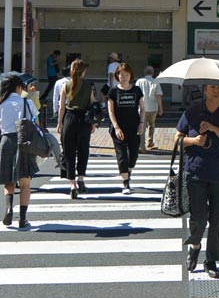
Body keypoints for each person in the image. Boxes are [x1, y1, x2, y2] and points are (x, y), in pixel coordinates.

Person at [177, 82, 219, 280]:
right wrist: (193, 141)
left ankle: (211, 260)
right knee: (198, 217)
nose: (217, 91)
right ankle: (195, 246)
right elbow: (177, 139)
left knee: (218, 219)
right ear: (204, 90)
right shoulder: (193, 111)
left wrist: (213, 128)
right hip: (195, 172)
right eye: (213, 87)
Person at [0, 75, 40, 229]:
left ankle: (9, 208)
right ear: (19, 87)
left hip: (6, 142)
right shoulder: (26, 102)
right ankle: (23, 218)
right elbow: (36, 123)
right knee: (25, 183)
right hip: (24, 142)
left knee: (9, 181)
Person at [57, 59, 98, 199]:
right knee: (83, 150)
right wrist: (93, 123)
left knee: (69, 152)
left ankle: (72, 184)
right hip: (84, 120)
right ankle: (81, 180)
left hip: (69, 118)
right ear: (83, 71)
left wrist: (60, 123)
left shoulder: (66, 85)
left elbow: (61, 106)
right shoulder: (89, 86)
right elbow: (93, 104)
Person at [107, 62, 145, 194]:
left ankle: (128, 172)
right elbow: (111, 111)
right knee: (122, 155)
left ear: (130, 76)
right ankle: (125, 183)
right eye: (121, 74)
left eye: (126, 74)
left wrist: (141, 123)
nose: (123, 76)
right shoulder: (113, 91)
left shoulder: (137, 90)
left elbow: (143, 109)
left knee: (133, 155)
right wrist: (116, 127)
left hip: (134, 127)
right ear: (117, 75)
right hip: (119, 128)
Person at [135, 65, 164, 151]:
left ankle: (142, 146)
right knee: (152, 125)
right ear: (153, 73)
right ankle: (150, 142)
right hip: (153, 108)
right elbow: (158, 95)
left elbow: (136, 94)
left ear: (144, 72)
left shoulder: (139, 81)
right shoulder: (155, 81)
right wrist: (161, 108)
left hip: (142, 107)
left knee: (142, 127)